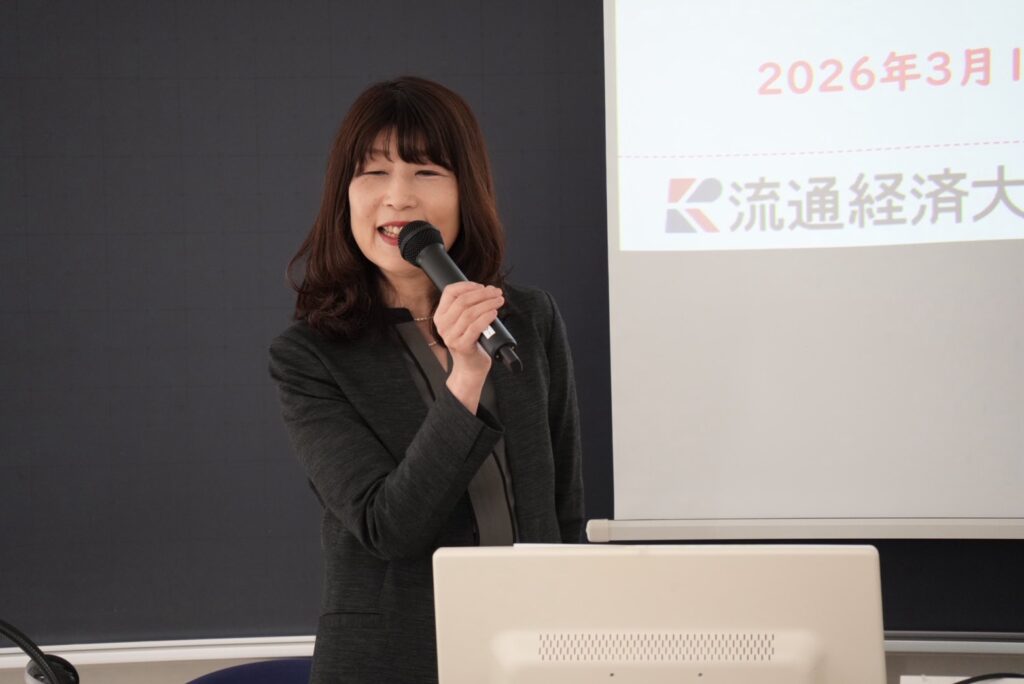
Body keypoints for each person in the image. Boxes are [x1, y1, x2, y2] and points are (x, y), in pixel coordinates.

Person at [268, 76, 584, 684]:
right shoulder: (310, 356)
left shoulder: (527, 318)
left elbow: (563, 509)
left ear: (468, 191)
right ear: (344, 195)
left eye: (427, 172)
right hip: (392, 662)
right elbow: (389, 527)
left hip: (535, 649)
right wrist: (465, 377)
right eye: (374, 172)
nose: (398, 198)